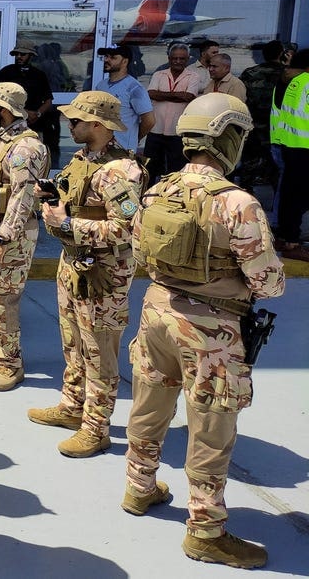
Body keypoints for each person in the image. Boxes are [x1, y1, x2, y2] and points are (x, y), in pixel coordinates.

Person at [124, 93, 284, 569]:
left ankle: (139, 487)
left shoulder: (158, 190)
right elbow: (269, 283)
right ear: (229, 138)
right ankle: (206, 531)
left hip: (156, 312)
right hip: (211, 331)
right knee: (212, 425)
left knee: (150, 402)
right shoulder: (237, 203)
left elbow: (138, 254)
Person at [26, 91, 146, 458]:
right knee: (73, 344)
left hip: (104, 277)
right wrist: (51, 198)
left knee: (99, 354)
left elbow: (128, 229)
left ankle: (97, 428)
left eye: (76, 120)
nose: (69, 124)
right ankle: (72, 406)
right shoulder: (84, 161)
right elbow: (72, 199)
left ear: (98, 124)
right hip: (75, 266)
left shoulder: (121, 172)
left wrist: (69, 223)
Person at [0, 82, 50, 391]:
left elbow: (22, 196)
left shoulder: (25, 148)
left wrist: (4, 239)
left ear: (3, 109)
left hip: (9, 232)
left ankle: (11, 365)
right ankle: (2, 352)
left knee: (3, 299)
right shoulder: (4, 140)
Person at [270, 49, 309, 261]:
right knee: (298, 197)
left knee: (288, 194)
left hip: (287, 144)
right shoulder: (306, 82)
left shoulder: (285, 81)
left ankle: (284, 236)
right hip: (304, 148)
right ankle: (292, 242)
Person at [145, 42, 201, 184]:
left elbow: (188, 97)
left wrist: (162, 95)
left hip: (177, 132)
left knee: (175, 169)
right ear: (169, 59)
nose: (177, 61)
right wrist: (178, 95)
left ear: (188, 59)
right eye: (174, 58)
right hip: (156, 130)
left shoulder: (193, 76)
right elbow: (151, 93)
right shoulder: (159, 74)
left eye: (181, 59)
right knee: (150, 168)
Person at [237, 40, 286, 191]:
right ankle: (277, 204)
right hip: (278, 128)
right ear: (281, 53)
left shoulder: (250, 73)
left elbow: (241, 98)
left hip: (254, 126)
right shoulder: (287, 74)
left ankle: (245, 198)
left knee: (248, 165)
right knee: (277, 168)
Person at [0, 43, 55, 155]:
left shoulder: (39, 75)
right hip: (9, 125)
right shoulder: (5, 73)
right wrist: (25, 112)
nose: (19, 56)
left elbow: (48, 101)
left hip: (34, 126)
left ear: (31, 55)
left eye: (22, 54)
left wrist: (37, 114)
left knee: (35, 156)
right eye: (16, 54)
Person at [95, 44, 155, 152]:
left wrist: (133, 139)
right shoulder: (101, 86)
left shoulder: (134, 88)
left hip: (122, 152)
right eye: (106, 56)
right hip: (99, 149)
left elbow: (149, 121)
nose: (107, 60)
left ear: (125, 62)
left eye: (113, 57)